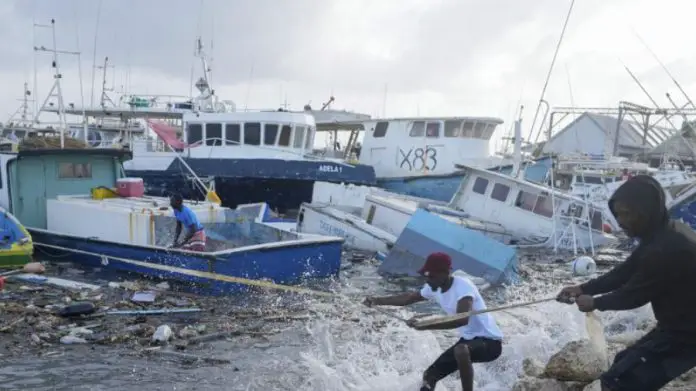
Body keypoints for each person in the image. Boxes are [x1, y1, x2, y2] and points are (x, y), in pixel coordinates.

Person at [556, 175, 696, 391]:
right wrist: (583, 288)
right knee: (623, 361)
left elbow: (634, 295)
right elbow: (625, 272)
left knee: (619, 381)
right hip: (678, 327)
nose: (620, 221)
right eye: (618, 214)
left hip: (686, 335)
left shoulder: (664, 249)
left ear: (646, 211)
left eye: (627, 214)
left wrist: (594, 302)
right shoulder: (665, 232)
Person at [363, 252, 503, 391]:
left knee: (461, 350)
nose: (428, 280)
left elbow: (461, 319)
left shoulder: (463, 287)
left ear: (446, 273)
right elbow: (408, 298)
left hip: (490, 343)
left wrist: (426, 325)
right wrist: (377, 300)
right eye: (426, 276)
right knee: (429, 376)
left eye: (432, 276)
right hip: (468, 341)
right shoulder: (433, 287)